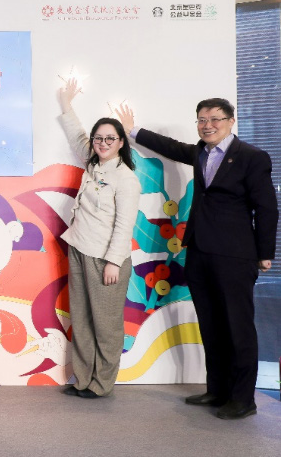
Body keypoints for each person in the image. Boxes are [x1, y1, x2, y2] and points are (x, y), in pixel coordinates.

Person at [117, 98, 277, 420]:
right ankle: (217, 390)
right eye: (202, 120)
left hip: (235, 255)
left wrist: (264, 254)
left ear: (231, 121)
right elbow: (170, 147)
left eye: (215, 119)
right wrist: (132, 131)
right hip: (199, 252)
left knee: (238, 328)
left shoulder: (252, 157)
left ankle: (243, 399)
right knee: (211, 324)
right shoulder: (199, 152)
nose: (208, 125)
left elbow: (267, 208)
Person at [58, 78, 141, 399]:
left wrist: (113, 262)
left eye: (110, 138)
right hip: (79, 249)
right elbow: (76, 134)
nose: (103, 143)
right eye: (99, 138)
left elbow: (124, 225)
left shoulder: (125, 178)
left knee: (106, 324)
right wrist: (66, 103)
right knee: (81, 319)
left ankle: (101, 384)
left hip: (106, 259)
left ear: (121, 143)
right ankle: (83, 379)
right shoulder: (93, 163)